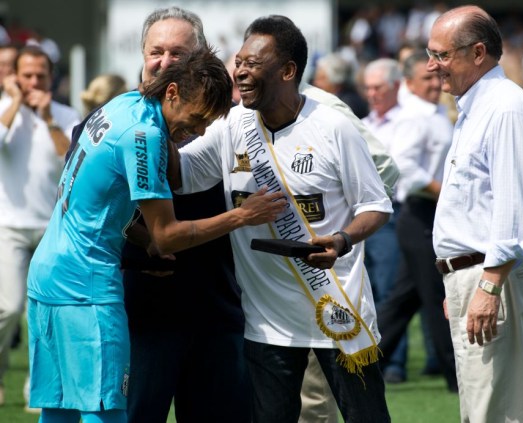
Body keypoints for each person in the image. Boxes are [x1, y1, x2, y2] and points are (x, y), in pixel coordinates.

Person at [26, 47, 288, 422]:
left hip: (47, 278)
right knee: (107, 413)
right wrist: (241, 216)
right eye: (198, 118)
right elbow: (167, 235)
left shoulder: (123, 104)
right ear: (172, 93)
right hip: (86, 291)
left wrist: (141, 238)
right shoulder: (144, 134)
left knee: (59, 413)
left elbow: (96, 203)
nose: (198, 131)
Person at [176, 15, 392, 422]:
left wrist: (343, 240)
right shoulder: (231, 124)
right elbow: (181, 175)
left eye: (252, 63)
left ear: (288, 71)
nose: (240, 70)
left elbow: (376, 205)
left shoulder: (333, 127)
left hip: (338, 311)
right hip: (267, 324)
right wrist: (156, 120)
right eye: (238, 61)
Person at [118, 8, 253, 422]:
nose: (164, 62)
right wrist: (143, 249)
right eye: (156, 52)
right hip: (144, 314)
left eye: (178, 53)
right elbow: (87, 208)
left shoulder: (228, 125)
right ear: (142, 55)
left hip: (215, 309)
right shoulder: (120, 122)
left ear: (200, 60)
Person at [429, 6, 523, 422]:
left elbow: (513, 210)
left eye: (442, 55)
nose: (433, 66)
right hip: (482, 277)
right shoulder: (479, 106)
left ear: (478, 52)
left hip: (498, 279)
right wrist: (461, 281)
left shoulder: (503, 109)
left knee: (500, 416)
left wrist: (488, 285)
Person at [0, 45, 80, 410]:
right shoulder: (4, 110)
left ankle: (40, 387)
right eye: (27, 75)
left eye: (40, 75)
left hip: (53, 227)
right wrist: (15, 104)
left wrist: (48, 118)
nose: (34, 82)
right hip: (10, 226)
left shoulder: (66, 114)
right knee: (10, 308)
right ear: (14, 75)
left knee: (47, 311)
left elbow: (73, 162)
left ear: (51, 77)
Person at [375, 50, 458, 392]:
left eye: (436, 76)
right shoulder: (414, 116)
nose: (436, 83)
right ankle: (458, 377)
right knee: (436, 295)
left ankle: (362, 364)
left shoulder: (435, 111)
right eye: (426, 78)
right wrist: (444, 191)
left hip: (429, 213)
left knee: (402, 300)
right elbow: (404, 165)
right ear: (408, 83)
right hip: (421, 213)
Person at [360, 57, 410, 383]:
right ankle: (370, 353)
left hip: (392, 213)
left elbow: (398, 169)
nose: (372, 93)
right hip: (360, 214)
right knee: (367, 289)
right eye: (368, 88)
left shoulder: (406, 122)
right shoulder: (363, 122)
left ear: (395, 86)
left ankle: (394, 361)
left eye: (378, 87)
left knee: (391, 288)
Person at [312, 52, 368, 118]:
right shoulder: (325, 98)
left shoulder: (346, 104)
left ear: (337, 81)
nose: (316, 83)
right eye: (316, 78)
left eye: (321, 78)